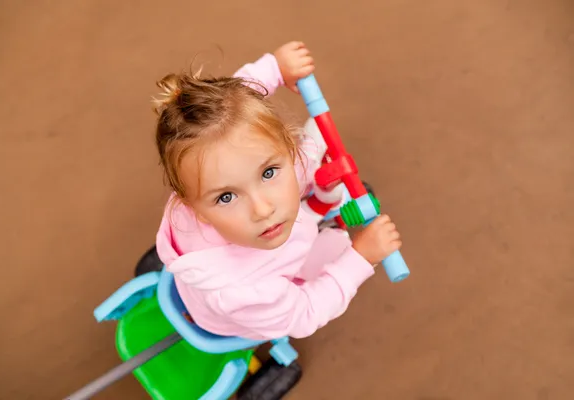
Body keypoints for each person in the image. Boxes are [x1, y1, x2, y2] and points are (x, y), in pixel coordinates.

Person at [153, 41, 402, 340]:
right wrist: (360, 258)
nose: (263, 209)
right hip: (236, 315)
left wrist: (273, 69)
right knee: (336, 248)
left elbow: (228, 107)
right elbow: (306, 312)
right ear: (192, 209)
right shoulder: (249, 292)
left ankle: (299, 177)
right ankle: (311, 204)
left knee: (272, 151)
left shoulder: (201, 178)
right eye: (226, 197)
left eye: (268, 173)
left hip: (211, 271)